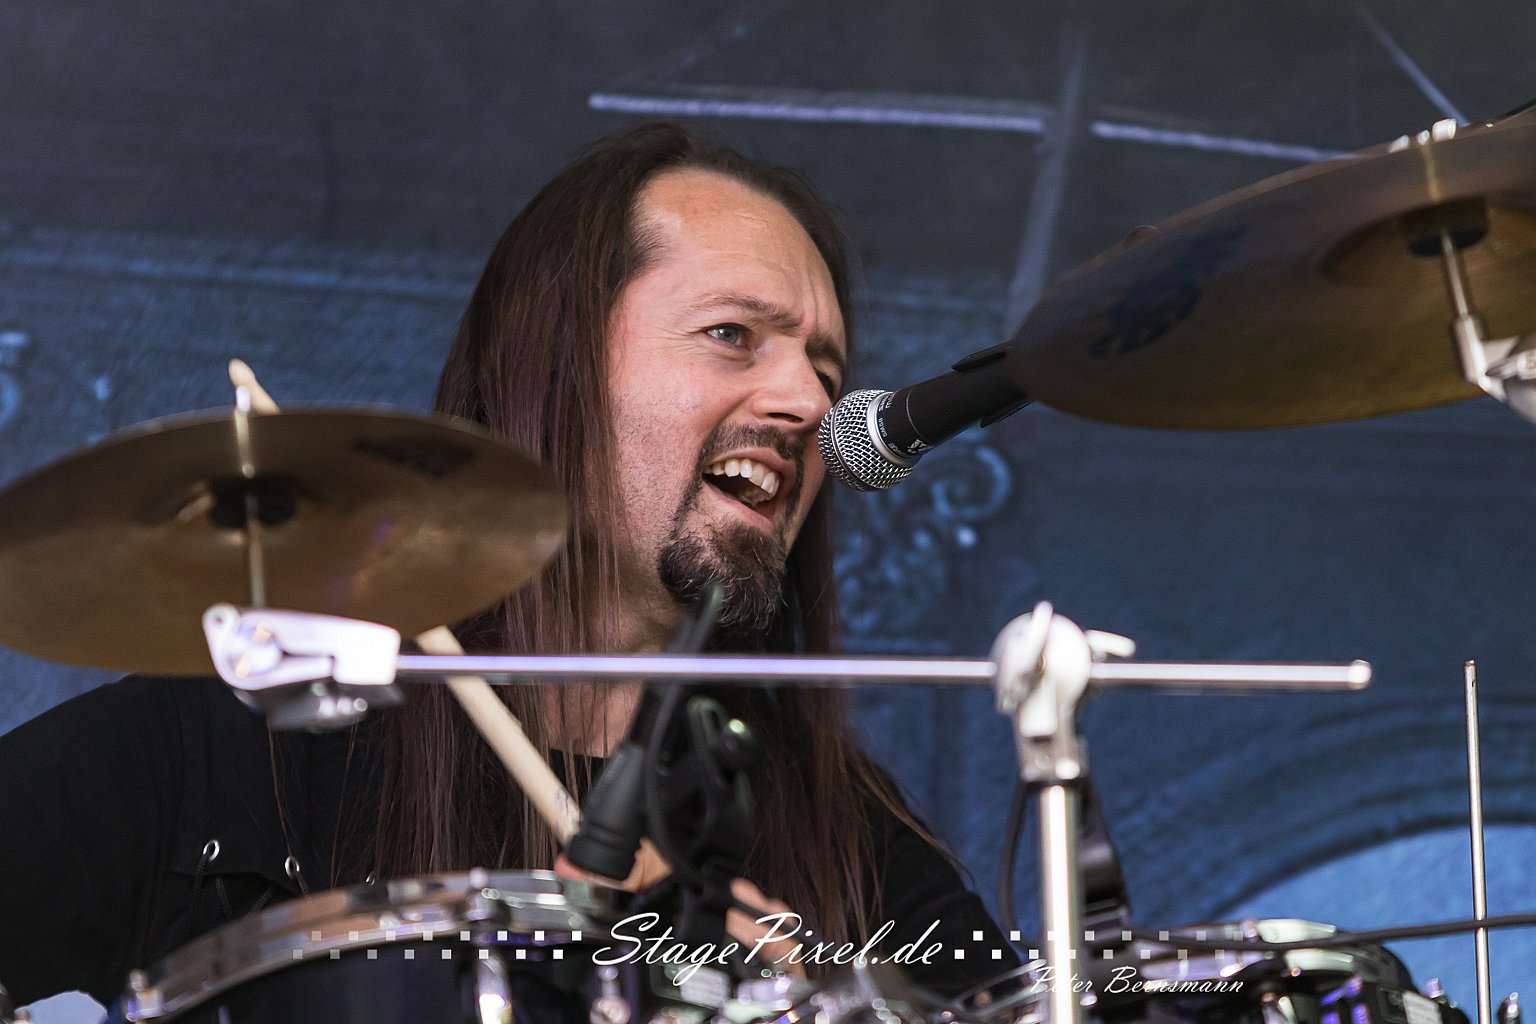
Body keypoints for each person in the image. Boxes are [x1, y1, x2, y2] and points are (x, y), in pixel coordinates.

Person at [0, 122, 1016, 1012]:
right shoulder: (228, 755)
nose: (809, 403)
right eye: (731, 335)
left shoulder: (854, 846)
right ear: (553, 365)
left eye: (826, 368)